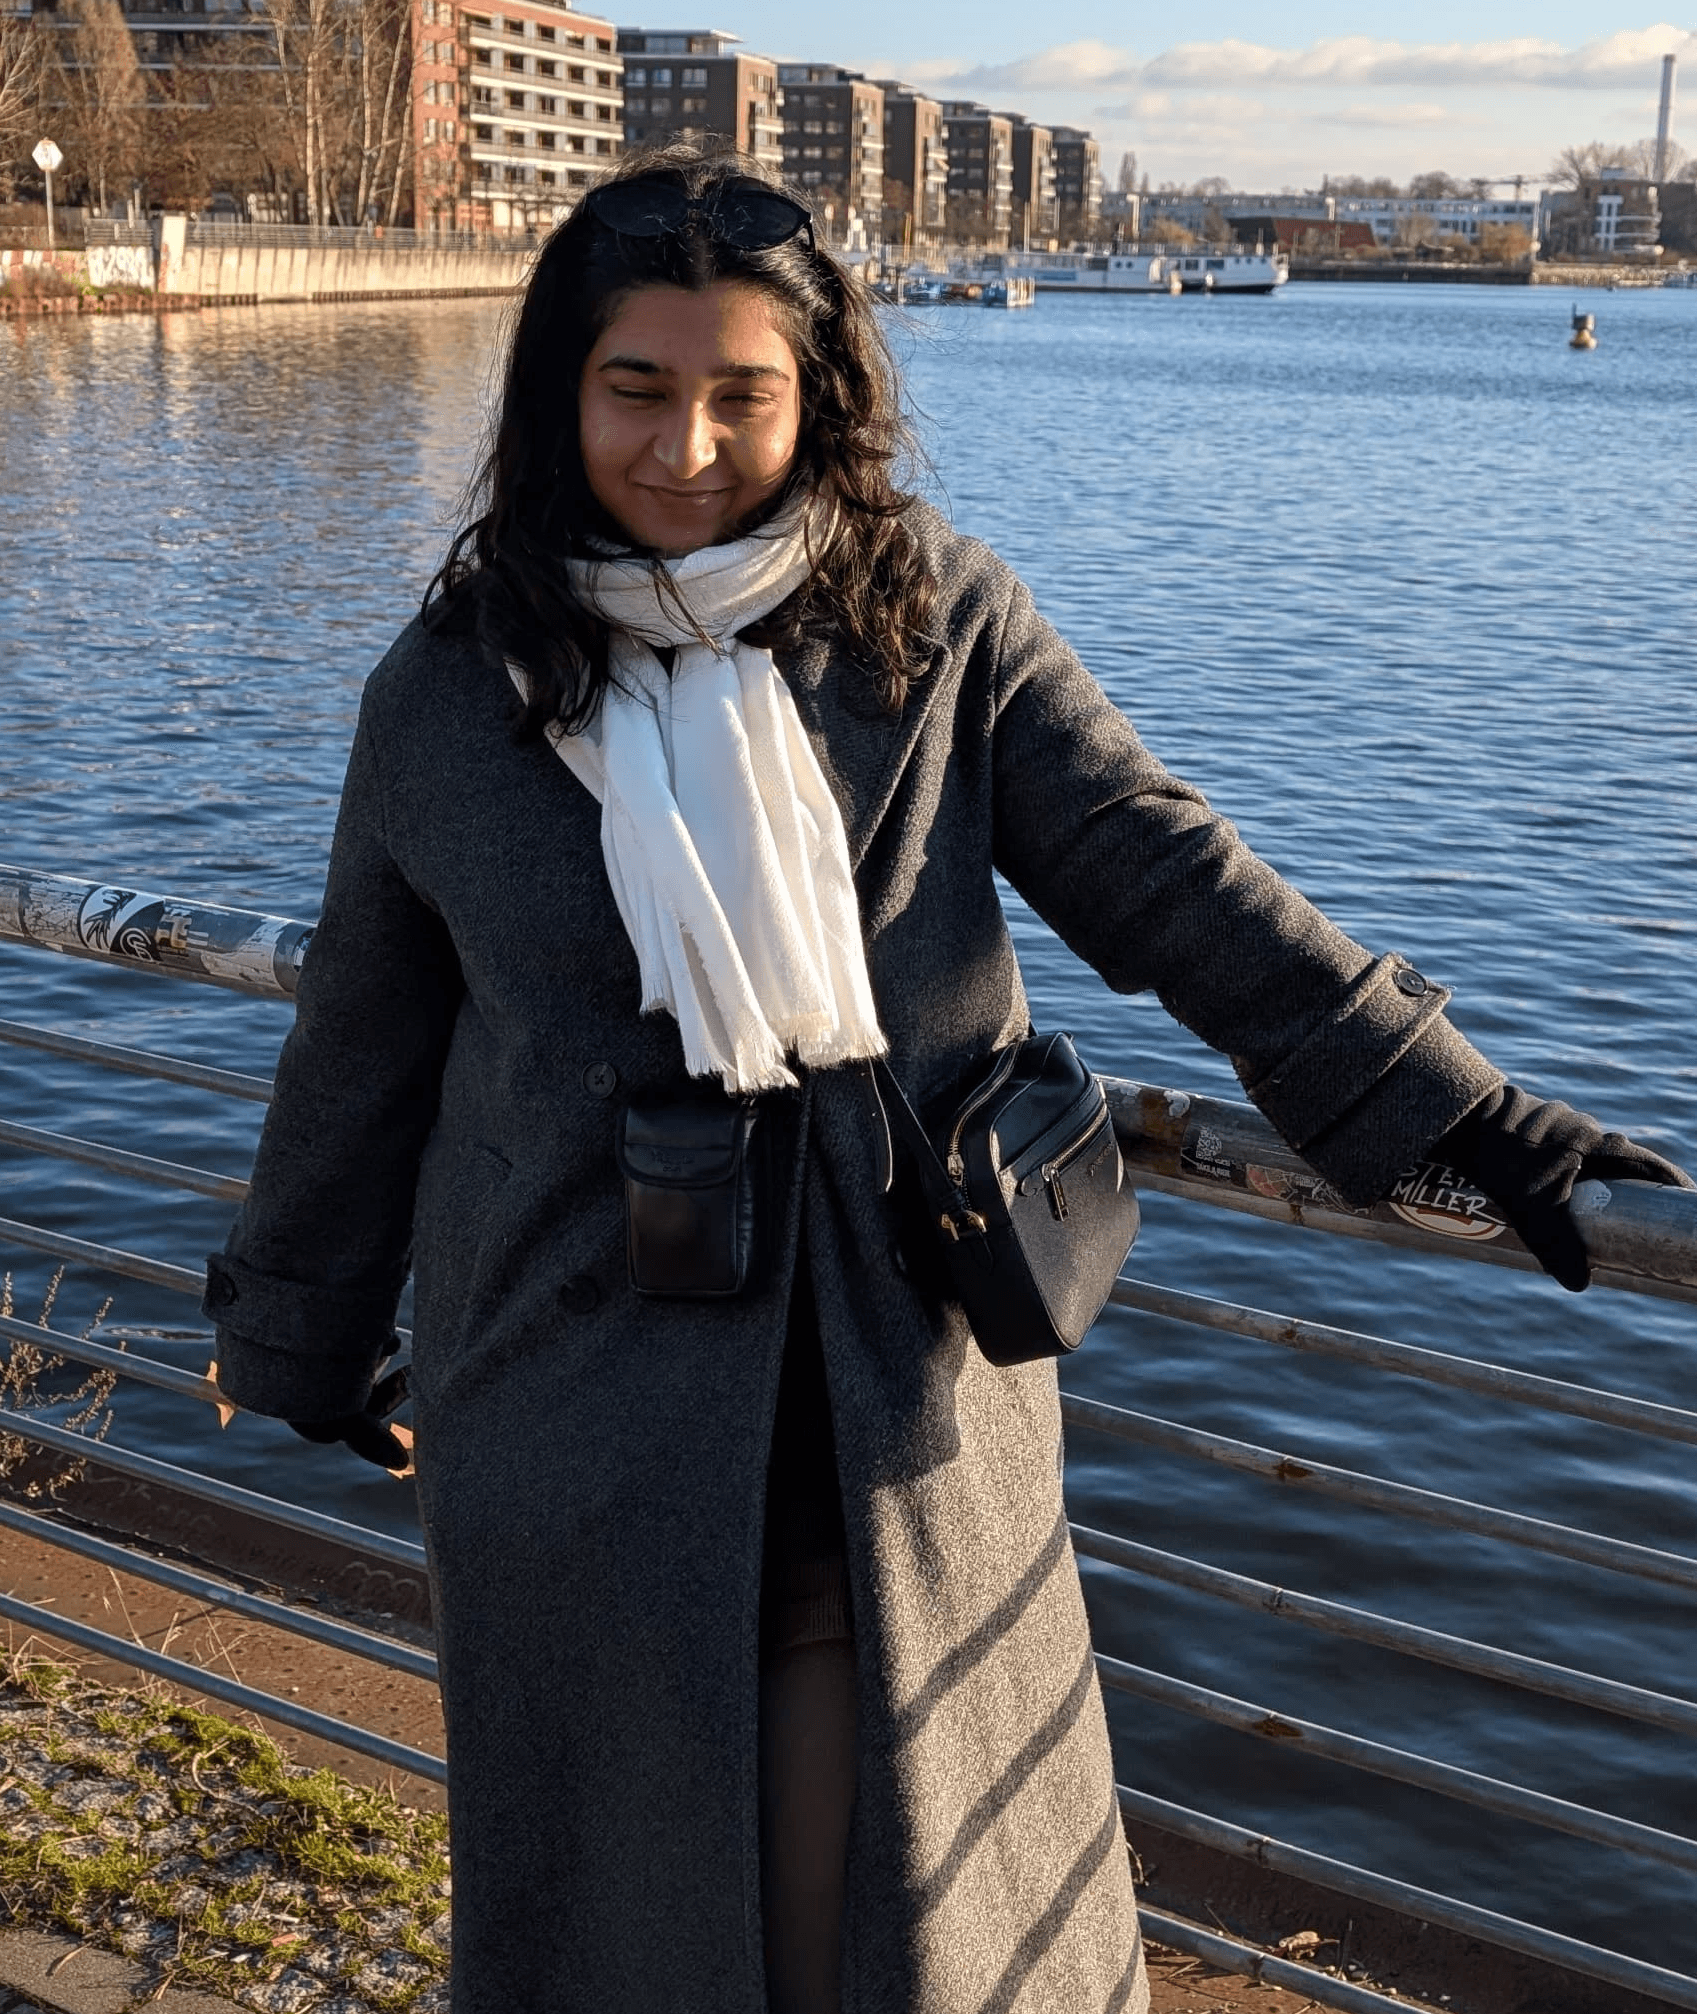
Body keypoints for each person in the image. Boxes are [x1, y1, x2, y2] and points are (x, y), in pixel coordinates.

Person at [204, 145, 1690, 2014]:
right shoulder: (452, 685)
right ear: (559, 394)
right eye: (636, 391)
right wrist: (300, 1336)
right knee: (608, 1915)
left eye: (742, 394)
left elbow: (1163, 871)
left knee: (910, 1917)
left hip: (893, 1388)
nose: (685, 450)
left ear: (815, 397)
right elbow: (367, 1035)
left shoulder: (935, 622)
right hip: (570, 1406)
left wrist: (1457, 1104)